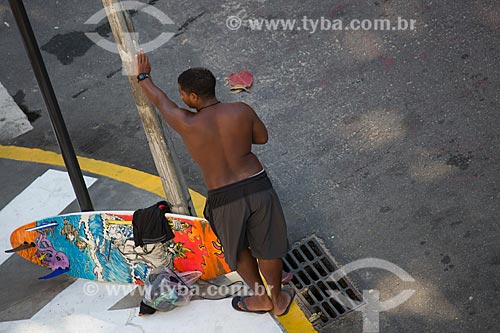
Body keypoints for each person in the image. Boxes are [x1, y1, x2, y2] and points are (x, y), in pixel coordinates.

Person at [135, 50, 295, 315]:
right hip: (257, 185)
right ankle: (278, 301)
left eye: (183, 94)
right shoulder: (241, 111)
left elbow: (160, 101)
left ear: (193, 97)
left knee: (239, 250)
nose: (181, 98)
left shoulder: (186, 122)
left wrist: (143, 76)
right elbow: (262, 138)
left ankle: (261, 298)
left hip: (224, 197)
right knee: (269, 248)